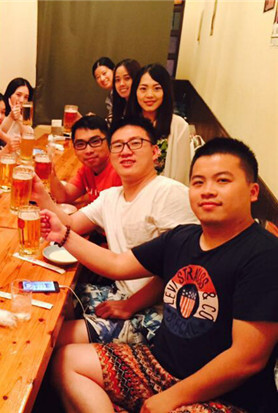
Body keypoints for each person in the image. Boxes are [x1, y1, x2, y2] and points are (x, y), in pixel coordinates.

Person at [47, 137, 278, 412]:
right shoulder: (182, 238)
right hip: (160, 367)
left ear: (253, 192)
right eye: (198, 182)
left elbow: (247, 359)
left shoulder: (264, 254)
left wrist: (170, 398)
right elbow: (117, 264)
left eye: (222, 181)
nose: (208, 190)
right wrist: (64, 235)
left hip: (225, 396)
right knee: (66, 361)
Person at [32, 117, 198, 346]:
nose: (126, 151)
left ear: (154, 152)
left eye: (136, 143)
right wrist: (40, 194)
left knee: (48, 338)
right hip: (118, 291)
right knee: (53, 302)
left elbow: (179, 272)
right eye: (118, 145)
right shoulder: (110, 197)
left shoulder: (170, 194)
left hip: (153, 313)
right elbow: (70, 224)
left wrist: (130, 305)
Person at [127, 63, 191, 186]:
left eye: (156, 88)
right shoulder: (126, 125)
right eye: (143, 89)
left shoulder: (179, 126)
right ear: (135, 92)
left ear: (165, 92)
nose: (149, 95)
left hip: (166, 193)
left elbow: (181, 175)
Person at [49, 115, 121, 204]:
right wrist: (51, 174)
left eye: (95, 141)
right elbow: (64, 196)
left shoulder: (120, 172)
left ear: (110, 141)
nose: (88, 151)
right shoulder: (87, 170)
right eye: (80, 144)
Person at [111, 58, 141, 124]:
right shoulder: (120, 105)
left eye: (127, 78)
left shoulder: (143, 108)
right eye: (117, 80)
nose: (121, 84)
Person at [92, 57, 115, 121]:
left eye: (104, 73)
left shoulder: (122, 92)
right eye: (98, 77)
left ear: (114, 70)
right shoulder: (111, 95)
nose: (102, 79)